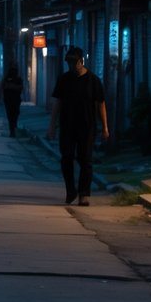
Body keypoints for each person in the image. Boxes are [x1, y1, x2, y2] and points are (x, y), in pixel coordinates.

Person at [46, 46, 109, 206]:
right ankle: (71, 190)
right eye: (69, 63)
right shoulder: (64, 79)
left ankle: (84, 193)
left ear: (82, 61)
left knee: (85, 160)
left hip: (87, 126)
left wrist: (105, 127)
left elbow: (101, 104)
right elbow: (57, 103)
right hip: (67, 126)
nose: (72, 66)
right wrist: (52, 126)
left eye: (74, 62)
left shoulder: (93, 80)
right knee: (66, 158)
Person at [0, 64, 24, 137]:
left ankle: (13, 129)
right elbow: (2, 87)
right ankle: (12, 130)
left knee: (14, 115)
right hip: (9, 100)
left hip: (15, 100)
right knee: (11, 115)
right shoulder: (6, 78)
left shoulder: (18, 79)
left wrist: (11, 87)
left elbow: (21, 88)